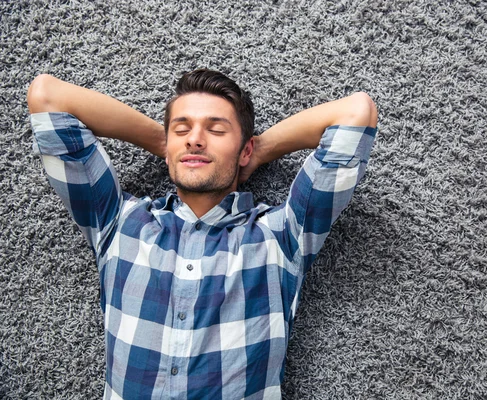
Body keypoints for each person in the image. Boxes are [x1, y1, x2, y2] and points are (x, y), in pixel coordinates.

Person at [27, 69, 377, 400]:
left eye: (216, 130)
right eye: (182, 129)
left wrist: (258, 151)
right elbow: (47, 96)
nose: (195, 139)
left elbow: (356, 113)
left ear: (244, 149)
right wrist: (164, 142)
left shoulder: (282, 235)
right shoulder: (118, 222)